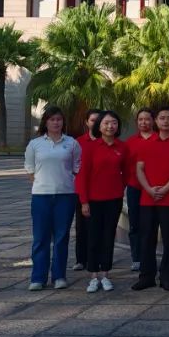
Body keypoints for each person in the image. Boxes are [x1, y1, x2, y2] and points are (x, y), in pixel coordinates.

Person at [24, 107, 82, 291]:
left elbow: (76, 167)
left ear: (63, 122)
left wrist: (64, 182)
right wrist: (43, 184)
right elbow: (30, 169)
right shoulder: (35, 144)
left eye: (59, 119)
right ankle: (38, 277)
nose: (56, 123)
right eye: (52, 119)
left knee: (61, 237)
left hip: (65, 196)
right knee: (40, 237)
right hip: (41, 196)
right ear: (46, 122)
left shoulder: (72, 143)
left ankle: (59, 276)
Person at [133, 106, 169, 292]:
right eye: (162, 118)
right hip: (148, 199)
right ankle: (146, 276)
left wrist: (165, 189)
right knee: (146, 238)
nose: (166, 121)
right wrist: (149, 189)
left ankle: (167, 277)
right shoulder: (146, 143)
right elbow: (139, 169)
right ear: (156, 121)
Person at [76, 111, 128, 293]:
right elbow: (82, 176)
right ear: (99, 126)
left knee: (108, 237)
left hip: (113, 200)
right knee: (93, 238)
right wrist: (84, 201)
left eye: (114, 122)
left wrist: (119, 188)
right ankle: (93, 276)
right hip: (93, 201)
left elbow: (126, 172)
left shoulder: (122, 147)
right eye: (106, 123)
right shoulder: (91, 147)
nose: (110, 126)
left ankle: (105, 274)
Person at [124, 108, 156, 273]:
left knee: (151, 225)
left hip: (154, 189)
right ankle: (136, 258)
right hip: (135, 187)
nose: (144, 122)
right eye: (140, 119)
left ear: (153, 121)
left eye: (147, 119)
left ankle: (150, 257)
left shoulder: (159, 139)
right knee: (135, 224)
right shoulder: (130, 142)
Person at [72, 109, 102, 272]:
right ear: (86, 122)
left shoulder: (107, 141)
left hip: (101, 190)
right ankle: (81, 259)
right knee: (82, 226)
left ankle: (97, 259)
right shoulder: (79, 142)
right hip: (82, 189)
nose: (95, 123)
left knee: (100, 227)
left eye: (98, 120)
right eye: (92, 120)